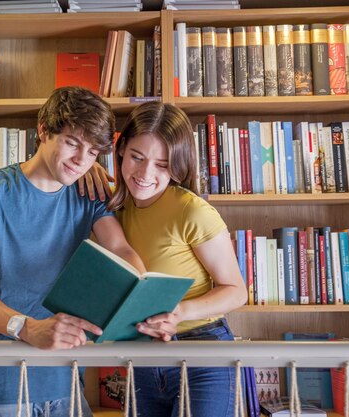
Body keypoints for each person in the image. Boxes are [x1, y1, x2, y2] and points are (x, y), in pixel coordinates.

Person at [0, 86, 146, 417]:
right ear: (43, 130)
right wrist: (27, 327)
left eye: (93, 153)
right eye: (72, 143)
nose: (81, 160)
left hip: (66, 378)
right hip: (3, 381)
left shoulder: (89, 193)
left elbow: (123, 250)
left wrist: (141, 291)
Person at [85, 101, 248, 417]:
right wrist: (89, 164)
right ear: (120, 150)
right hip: (142, 353)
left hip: (202, 352)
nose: (145, 174)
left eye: (162, 164)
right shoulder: (114, 206)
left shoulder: (192, 210)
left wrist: (181, 310)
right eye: (137, 157)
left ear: (178, 165)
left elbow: (236, 290)